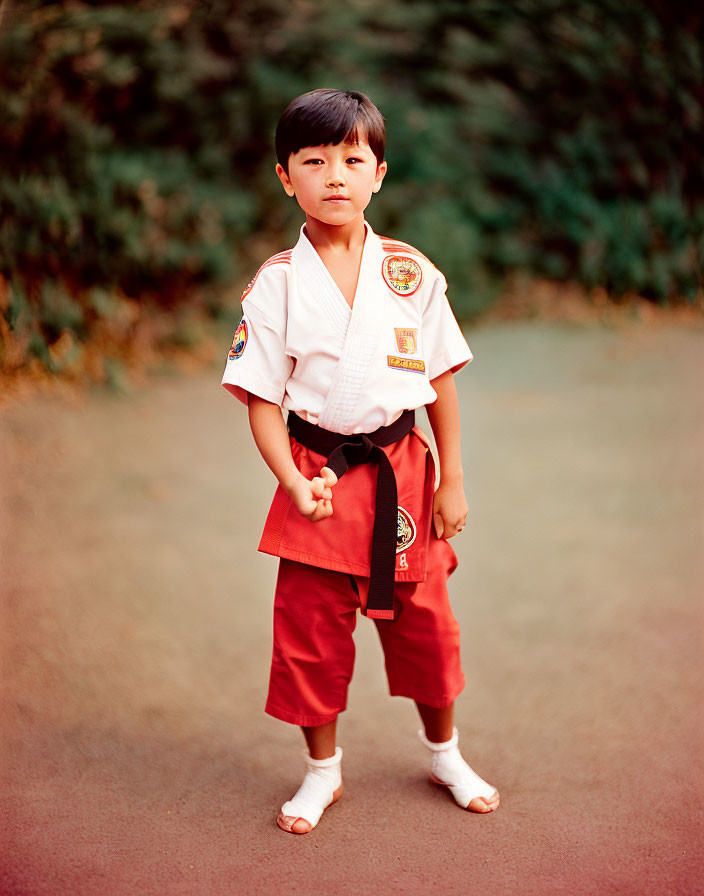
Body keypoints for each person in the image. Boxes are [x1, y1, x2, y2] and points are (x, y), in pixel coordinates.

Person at [221, 88, 499, 834]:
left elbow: (439, 386)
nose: (335, 175)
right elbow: (260, 401)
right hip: (316, 476)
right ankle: (322, 772)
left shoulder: (409, 273)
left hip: (404, 474)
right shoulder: (277, 283)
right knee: (309, 635)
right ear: (286, 177)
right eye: (315, 161)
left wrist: (453, 480)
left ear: (379, 172)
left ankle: (444, 752)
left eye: (353, 159)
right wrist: (290, 483)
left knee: (430, 627)